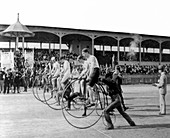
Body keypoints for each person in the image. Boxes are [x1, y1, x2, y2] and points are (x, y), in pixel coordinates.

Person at [81, 48, 100, 116]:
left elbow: (92, 67)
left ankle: (92, 101)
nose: (83, 56)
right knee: (86, 86)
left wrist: (89, 76)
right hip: (92, 71)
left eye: (83, 54)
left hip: (95, 71)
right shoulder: (87, 60)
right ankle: (89, 99)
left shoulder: (92, 57)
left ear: (86, 52)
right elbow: (88, 69)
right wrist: (84, 75)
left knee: (89, 87)